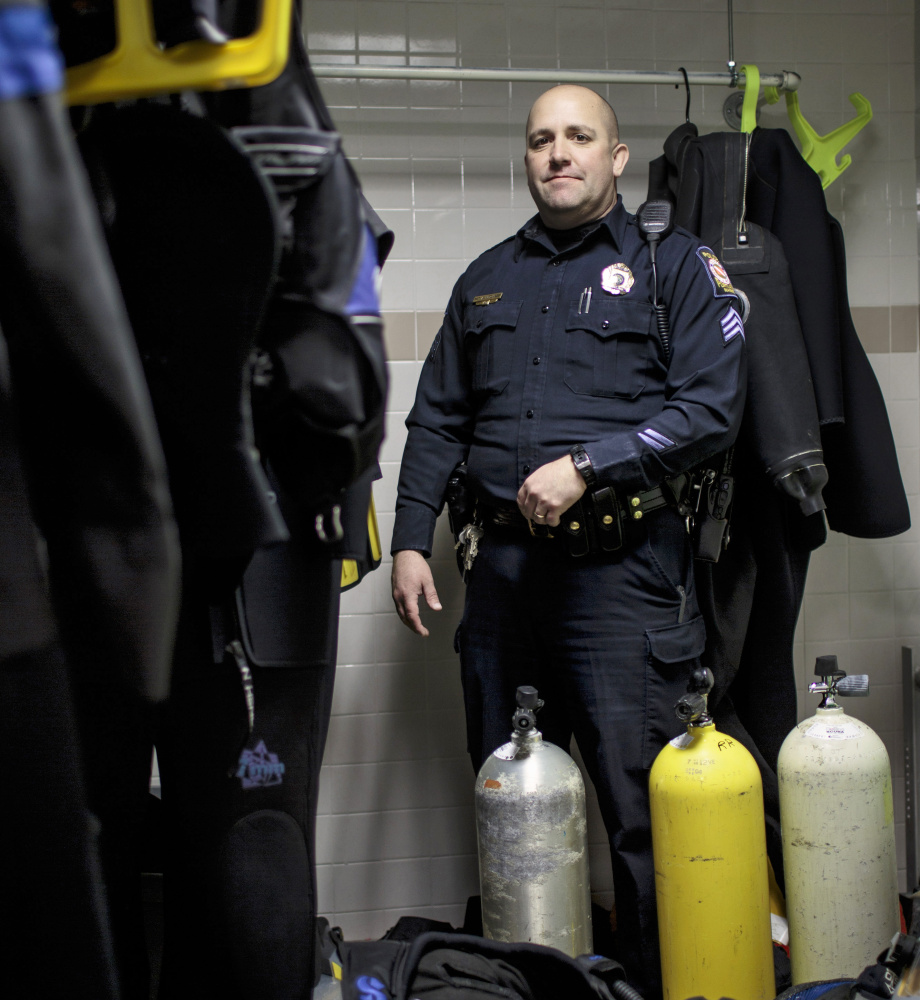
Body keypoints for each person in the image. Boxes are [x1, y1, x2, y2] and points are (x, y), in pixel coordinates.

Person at [390, 84, 746, 999]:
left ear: (617, 158)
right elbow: (436, 421)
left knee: (639, 815)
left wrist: (589, 463)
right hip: (504, 582)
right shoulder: (486, 278)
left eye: (580, 137)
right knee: (515, 807)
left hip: (621, 580)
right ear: (528, 158)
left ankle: (659, 985)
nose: (560, 153)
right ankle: (528, 985)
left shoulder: (675, 267)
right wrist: (410, 541)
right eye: (542, 139)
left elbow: (710, 411)